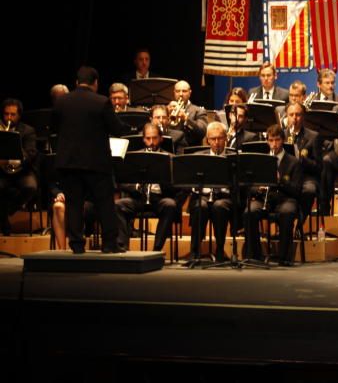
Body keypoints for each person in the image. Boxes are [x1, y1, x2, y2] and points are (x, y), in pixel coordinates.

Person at [50, 66, 129, 253]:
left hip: (69, 163)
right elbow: (117, 129)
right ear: (95, 83)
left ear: (76, 83)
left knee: (74, 204)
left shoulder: (61, 102)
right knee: (104, 203)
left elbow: (54, 128)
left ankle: (77, 245)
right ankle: (109, 245)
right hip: (96, 163)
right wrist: (129, 126)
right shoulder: (101, 102)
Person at [114, 123, 180, 254]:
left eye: (155, 138)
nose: (151, 142)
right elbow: (122, 182)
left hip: (159, 198)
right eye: (148, 138)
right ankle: (122, 247)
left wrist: (162, 180)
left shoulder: (170, 158)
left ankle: (156, 249)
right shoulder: (133, 157)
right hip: (139, 198)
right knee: (118, 205)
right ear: (143, 139)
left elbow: (177, 186)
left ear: (161, 138)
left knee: (170, 205)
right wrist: (136, 186)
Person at [243, 125, 303, 265]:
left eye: (277, 140)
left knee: (287, 212)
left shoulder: (294, 162)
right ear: (267, 141)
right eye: (271, 140)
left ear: (282, 140)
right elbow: (250, 187)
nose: (274, 144)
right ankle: (255, 255)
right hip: (264, 198)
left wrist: (280, 181)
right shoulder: (261, 161)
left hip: (285, 199)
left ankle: (284, 257)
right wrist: (259, 189)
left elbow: (297, 190)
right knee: (249, 212)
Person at [190, 121, 234, 262]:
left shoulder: (233, 157)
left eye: (220, 138)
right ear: (207, 140)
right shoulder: (198, 157)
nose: (216, 142)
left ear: (225, 138)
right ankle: (195, 251)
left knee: (219, 207)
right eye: (213, 139)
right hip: (203, 195)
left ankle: (220, 249)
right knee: (199, 207)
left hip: (224, 197)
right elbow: (190, 180)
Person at [0, 98, 38, 236]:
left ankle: (9, 209)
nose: (9, 117)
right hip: (1, 171)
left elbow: (31, 153)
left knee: (31, 187)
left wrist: (19, 160)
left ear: (19, 115)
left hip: (22, 171)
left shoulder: (28, 130)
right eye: (6, 114)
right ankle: (4, 223)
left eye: (13, 114)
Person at [283, 102, 319, 216]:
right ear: (286, 116)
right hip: (287, 176)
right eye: (291, 114)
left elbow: (318, 166)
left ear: (303, 117)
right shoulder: (281, 136)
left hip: (305, 176)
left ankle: (300, 223)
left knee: (309, 190)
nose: (295, 118)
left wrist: (302, 159)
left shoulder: (314, 136)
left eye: (298, 115)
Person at [167, 80, 208, 147]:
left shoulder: (199, 111)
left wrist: (186, 119)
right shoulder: (168, 108)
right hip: (170, 147)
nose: (180, 94)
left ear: (190, 93)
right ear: (174, 93)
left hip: (189, 149)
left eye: (184, 91)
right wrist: (166, 114)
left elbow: (202, 131)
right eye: (178, 91)